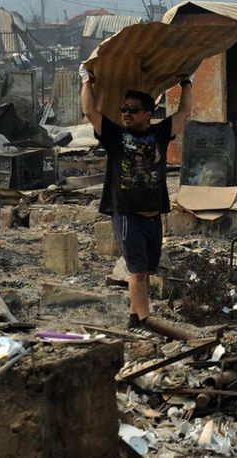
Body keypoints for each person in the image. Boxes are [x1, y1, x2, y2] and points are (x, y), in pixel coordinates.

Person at [80, 64, 193, 338]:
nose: (126, 114)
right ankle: (144, 323)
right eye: (124, 110)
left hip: (153, 215)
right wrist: (87, 81)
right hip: (127, 214)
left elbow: (184, 113)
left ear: (148, 114)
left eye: (133, 110)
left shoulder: (159, 134)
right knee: (138, 272)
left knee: (147, 269)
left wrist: (186, 84)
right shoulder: (116, 135)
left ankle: (134, 315)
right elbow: (90, 112)